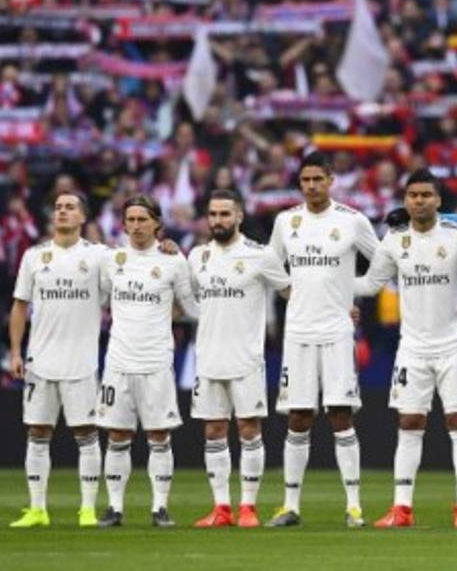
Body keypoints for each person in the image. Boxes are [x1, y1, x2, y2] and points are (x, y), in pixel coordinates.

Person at [352, 168, 457, 529]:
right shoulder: (394, 240)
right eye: (413, 195)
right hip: (412, 348)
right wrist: (327, 283)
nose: (420, 201)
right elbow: (370, 284)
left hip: (454, 345)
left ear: (438, 200)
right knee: (409, 422)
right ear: (405, 200)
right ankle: (402, 508)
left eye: (426, 195)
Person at [266, 151, 380, 528]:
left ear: (331, 181)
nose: (312, 186)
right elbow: (269, 264)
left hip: (336, 332)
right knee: (298, 417)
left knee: (340, 414)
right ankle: (290, 506)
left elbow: (383, 261)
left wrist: (353, 290)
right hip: (298, 333)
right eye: (306, 180)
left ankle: (354, 507)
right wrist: (288, 292)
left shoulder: (352, 220)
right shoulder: (286, 221)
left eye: (318, 179)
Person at [188, 189, 291, 528]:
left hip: (246, 358)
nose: (218, 220)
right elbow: (183, 297)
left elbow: (290, 292)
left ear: (239, 216)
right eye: (213, 214)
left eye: (224, 214)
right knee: (214, 430)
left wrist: (334, 308)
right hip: (208, 357)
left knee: (249, 429)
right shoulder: (197, 257)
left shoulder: (260, 255)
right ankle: (221, 508)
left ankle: (248, 507)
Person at [7, 191, 108, 528]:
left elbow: (133, 265)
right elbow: (20, 305)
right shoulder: (34, 256)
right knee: (37, 432)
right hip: (40, 360)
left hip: (81, 362)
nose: (62, 212)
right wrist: (15, 351)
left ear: (83, 217)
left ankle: (88, 509)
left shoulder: (99, 256)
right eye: (59, 207)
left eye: (70, 207)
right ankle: (37, 509)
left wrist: (164, 247)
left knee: (86, 433)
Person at [96, 194, 197, 528]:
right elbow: (98, 300)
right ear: (124, 224)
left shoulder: (174, 261)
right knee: (117, 436)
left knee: (159, 436)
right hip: (118, 362)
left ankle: (160, 508)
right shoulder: (112, 259)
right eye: (131, 220)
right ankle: (114, 508)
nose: (136, 226)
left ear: (157, 223)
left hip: (156, 362)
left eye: (142, 219)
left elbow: (192, 306)